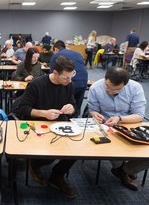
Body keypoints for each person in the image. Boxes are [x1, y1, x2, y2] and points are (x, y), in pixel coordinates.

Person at [19, 56, 77, 198]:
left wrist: (71, 108)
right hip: (39, 126)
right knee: (50, 155)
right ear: (55, 73)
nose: (69, 81)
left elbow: (74, 106)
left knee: (75, 151)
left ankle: (57, 176)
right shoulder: (37, 84)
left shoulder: (68, 85)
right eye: (66, 78)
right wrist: (43, 113)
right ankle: (34, 163)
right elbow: (23, 109)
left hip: (60, 125)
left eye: (71, 77)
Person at [88, 67, 148, 191]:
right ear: (105, 79)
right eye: (107, 86)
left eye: (115, 90)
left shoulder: (135, 88)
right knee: (112, 146)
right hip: (106, 125)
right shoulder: (96, 87)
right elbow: (92, 109)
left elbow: (139, 115)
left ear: (125, 85)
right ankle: (122, 171)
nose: (109, 91)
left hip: (129, 123)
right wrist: (94, 114)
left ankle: (124, 170)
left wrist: (120, 119)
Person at [50, 40, 88, 118]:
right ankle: (75, 117)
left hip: (68, 82)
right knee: (76, 105)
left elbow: (53, 75)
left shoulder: (56, 56)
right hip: (83, 81)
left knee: (65, 106)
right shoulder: (77, 53)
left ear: (56, 49)